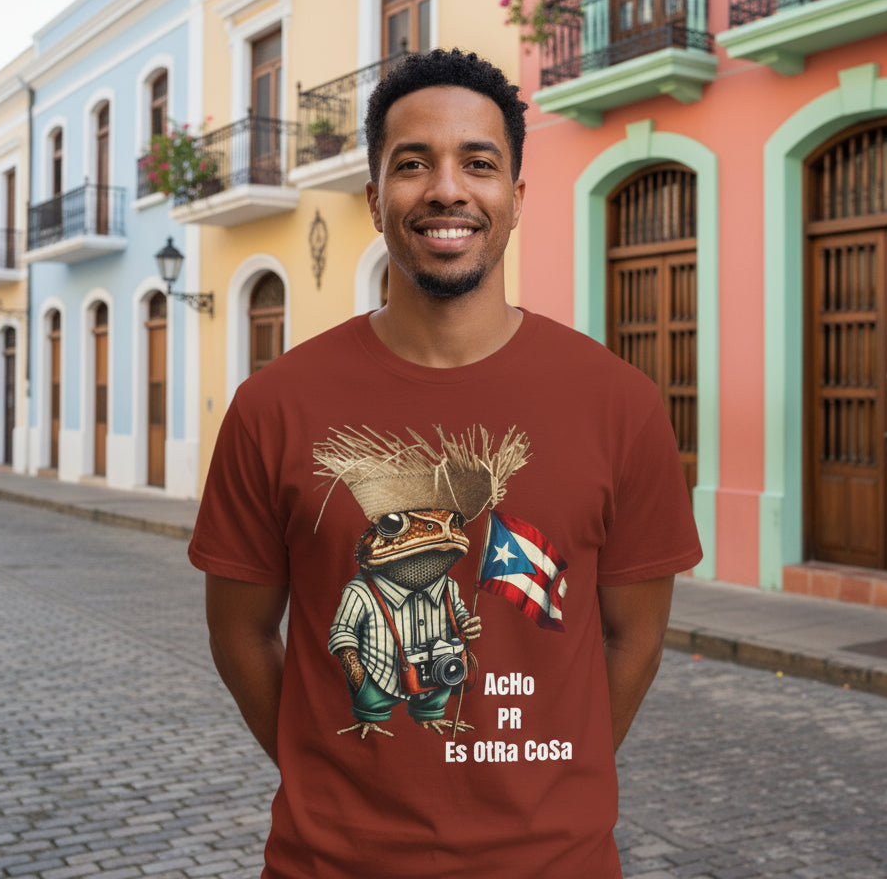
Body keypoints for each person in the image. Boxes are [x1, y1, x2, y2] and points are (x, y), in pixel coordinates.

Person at [188, 48, 702, 879]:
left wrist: (551, 783)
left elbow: (632, 637)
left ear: (516, 198)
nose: (447, 189)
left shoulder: (620, 402)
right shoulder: (274, 406)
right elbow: (240, 631)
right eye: (412, 164)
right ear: (374, 199)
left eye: (479, 163)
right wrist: (332, 772)